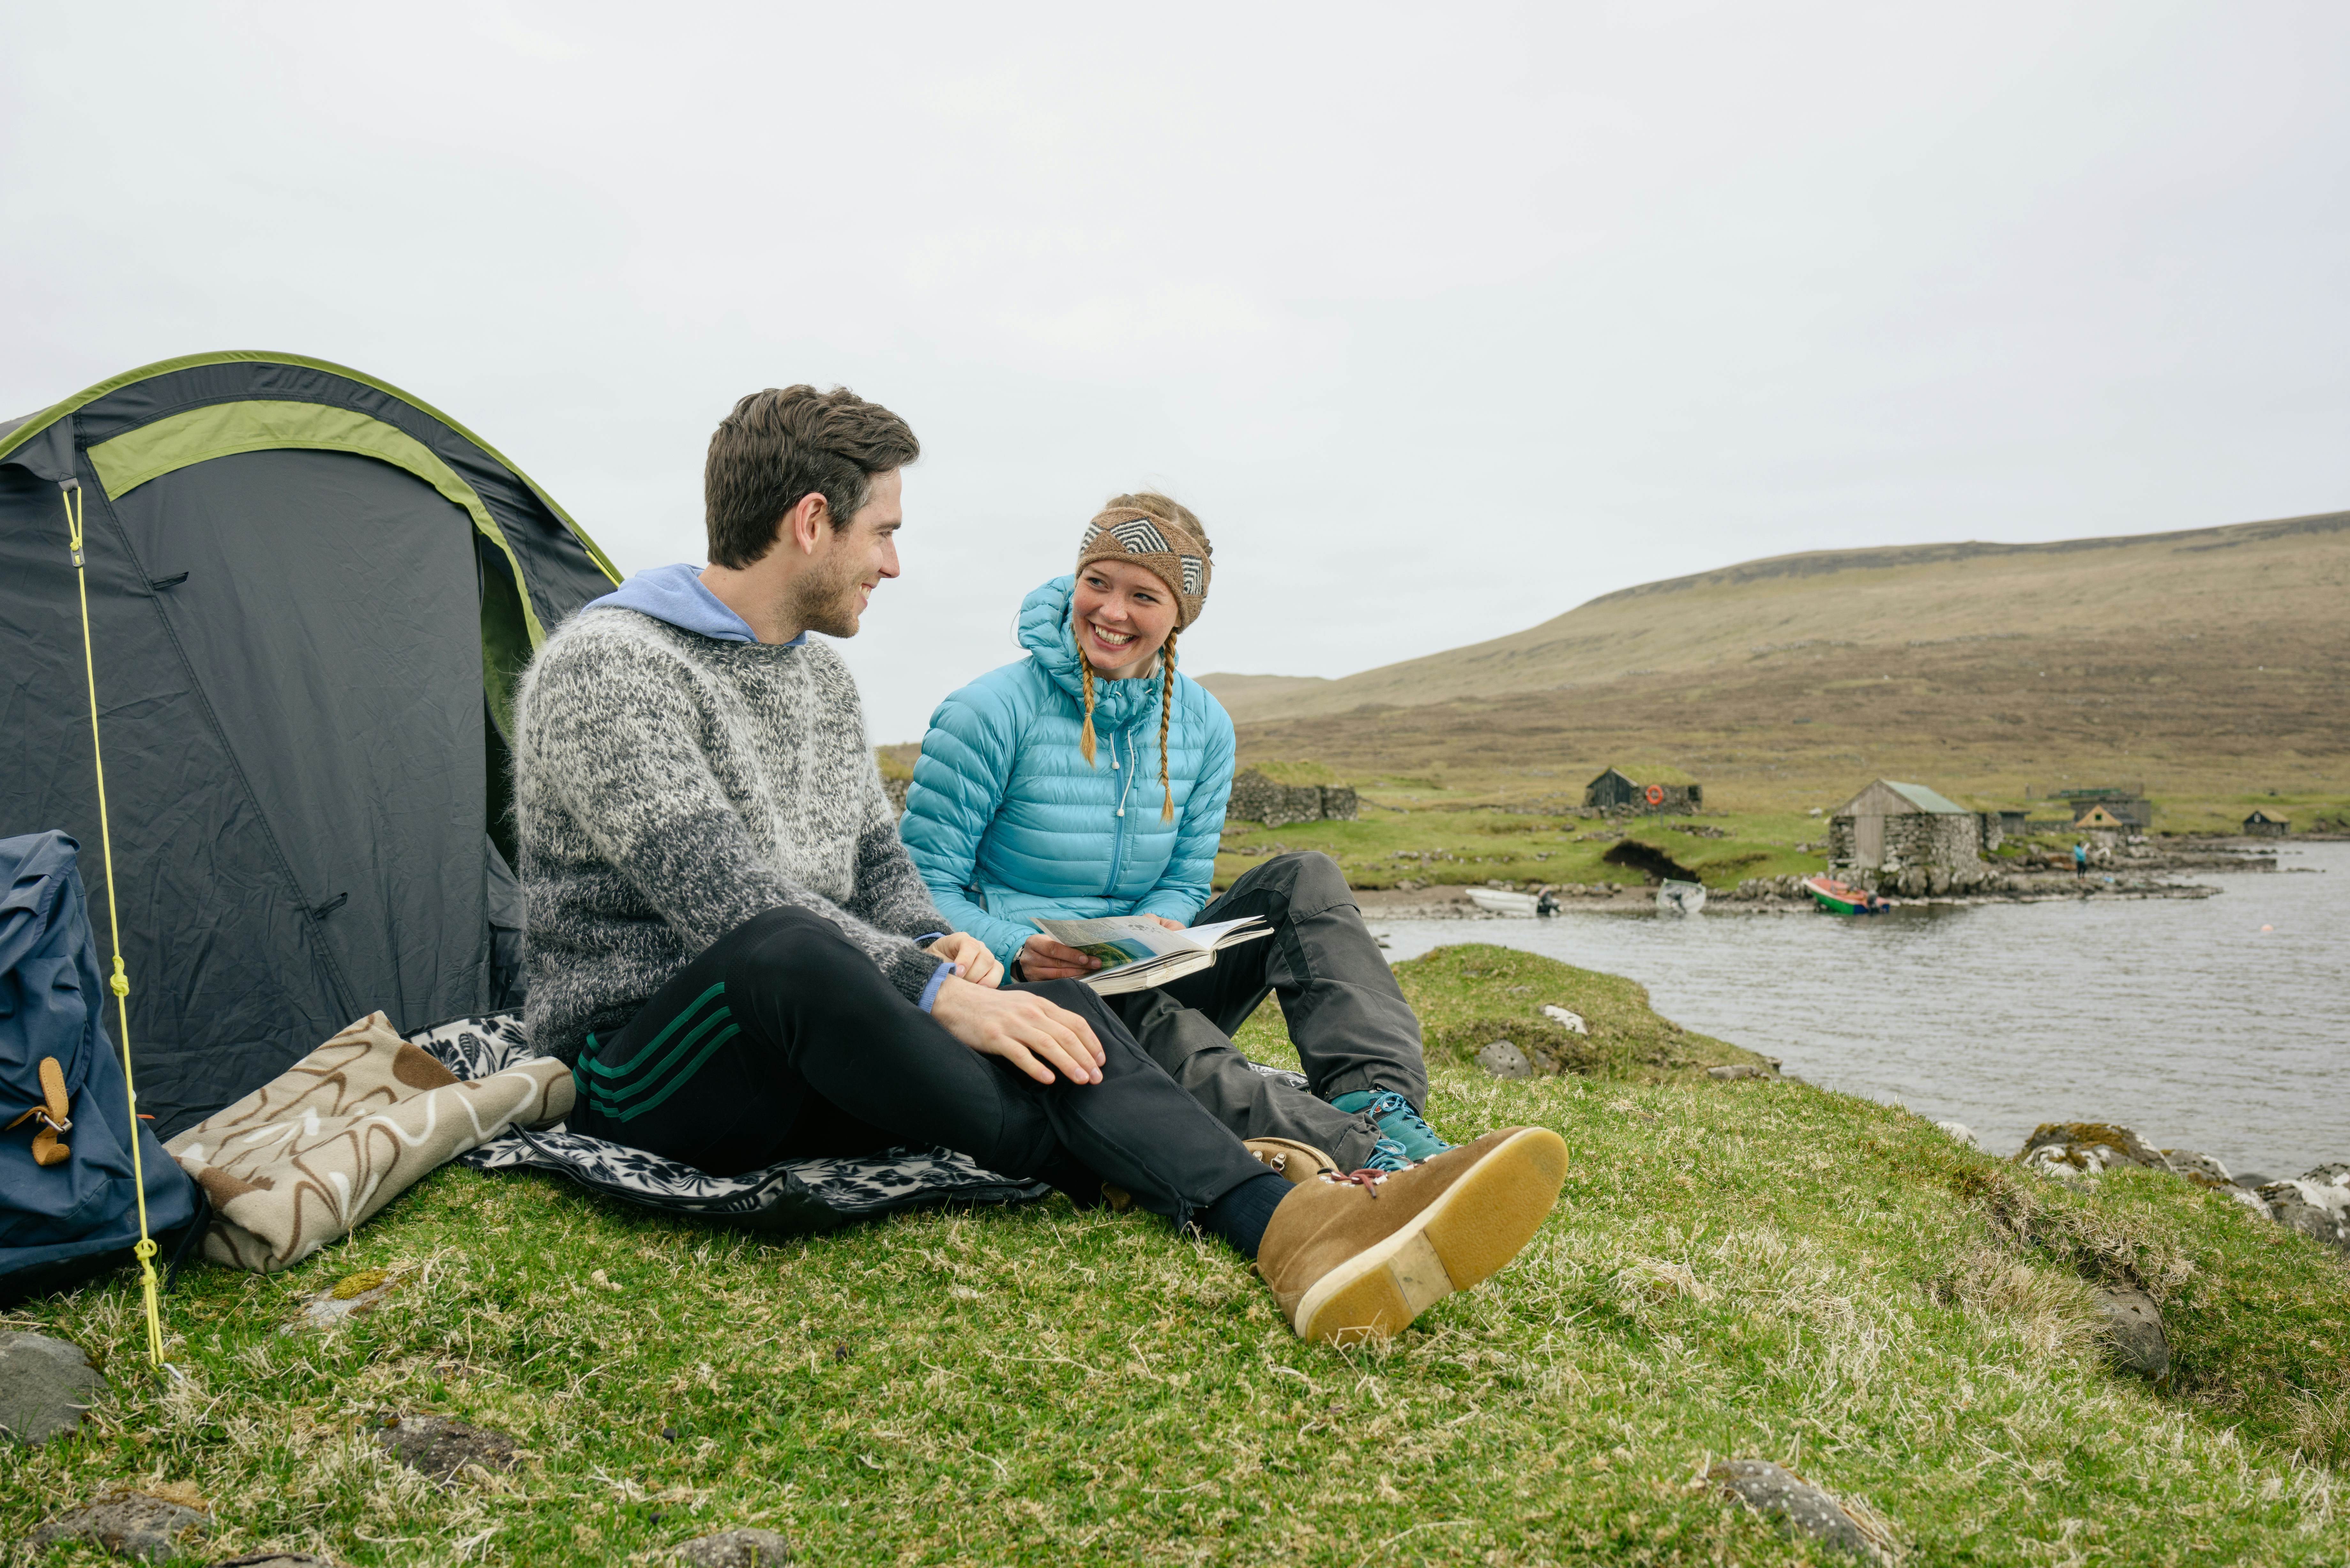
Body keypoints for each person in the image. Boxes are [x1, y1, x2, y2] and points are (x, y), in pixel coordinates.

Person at [511, 387, 1566, 1345]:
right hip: (652, 1058)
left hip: (819, 1032)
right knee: (794, 946)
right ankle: (1248, 1163)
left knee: (1040, 1018)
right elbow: (727, 899)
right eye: (883, 531)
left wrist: (943, 949)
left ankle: (1295, 1230)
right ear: (810, 523)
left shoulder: (821, 686)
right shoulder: (609, 672)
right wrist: (934, 986)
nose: (892, 563)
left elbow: (879, 863)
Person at [898, 494, 1452, 1178]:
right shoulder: (986, 712)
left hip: (1138, 973)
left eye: (1143, 595)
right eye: (1096, 582)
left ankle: (1383, 1104)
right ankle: (1363, 1155)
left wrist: (1160, 927)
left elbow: (1187, 877)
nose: (1110, 611)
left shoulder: (1205, 726)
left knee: (1304, 877)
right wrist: (1020, 947)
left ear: (1178, 615)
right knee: (1118, 996)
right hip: (1023, 996)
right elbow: (917, 891)